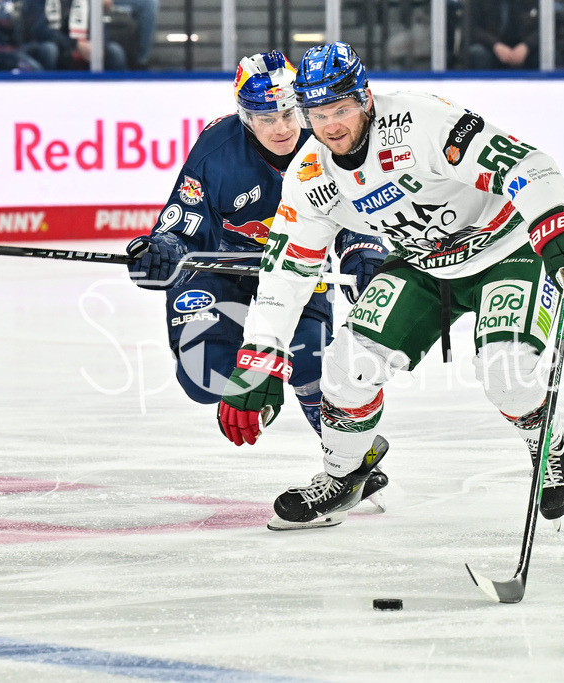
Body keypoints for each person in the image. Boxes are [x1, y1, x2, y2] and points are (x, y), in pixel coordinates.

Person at [217, 42, 564, 531]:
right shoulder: (310, 175)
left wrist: (555, 222)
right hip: (422, 264)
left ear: (365, 97)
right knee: (346, 366)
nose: (331, 126)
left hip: (507, 249)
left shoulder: (420, 121)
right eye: (317, 114)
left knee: (506, 373)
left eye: (341, 109)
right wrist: (261, 355)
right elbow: (287, 269)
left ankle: (546, 447)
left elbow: (524, 163)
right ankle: (344, 475)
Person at [125, 51, 390, 497]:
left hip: (299, 266)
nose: (282, 128)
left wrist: (362, 251)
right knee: (203, 378)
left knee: (311, 361)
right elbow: (182, 224)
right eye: (266, 118)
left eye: (288, 113)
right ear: (245, 117)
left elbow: (356, 210)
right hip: (220, 268)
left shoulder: (327, 138)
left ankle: (349, 460)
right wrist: (163, 252)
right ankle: (257, 385)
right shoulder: (217, 150)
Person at [466, 0, 540, 70]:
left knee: (541, 54)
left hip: (524, 48)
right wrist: (495, 45)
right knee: (478, 53)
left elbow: (542, 27)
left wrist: (527, 46)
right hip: (490, 47)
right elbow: (472, 28)